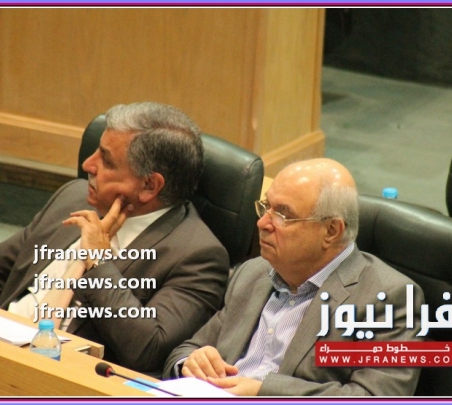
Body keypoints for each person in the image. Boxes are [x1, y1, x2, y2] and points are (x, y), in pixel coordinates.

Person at [0, 102, 229, 377]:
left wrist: (98, 261)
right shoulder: (73, 197)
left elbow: (147, 348)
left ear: (150, 185)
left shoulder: (196, 256)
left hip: (59, 377)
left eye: (106, 161)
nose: (88, 164)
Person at [163, 158, 424, 396]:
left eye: (283, 214)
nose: (262, 223)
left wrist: (264, 393)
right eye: (266, 207)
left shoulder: (388, 299)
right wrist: (190, 362)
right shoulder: (253, 273)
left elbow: (374, 396)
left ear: (331, 230)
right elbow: (185, 350)